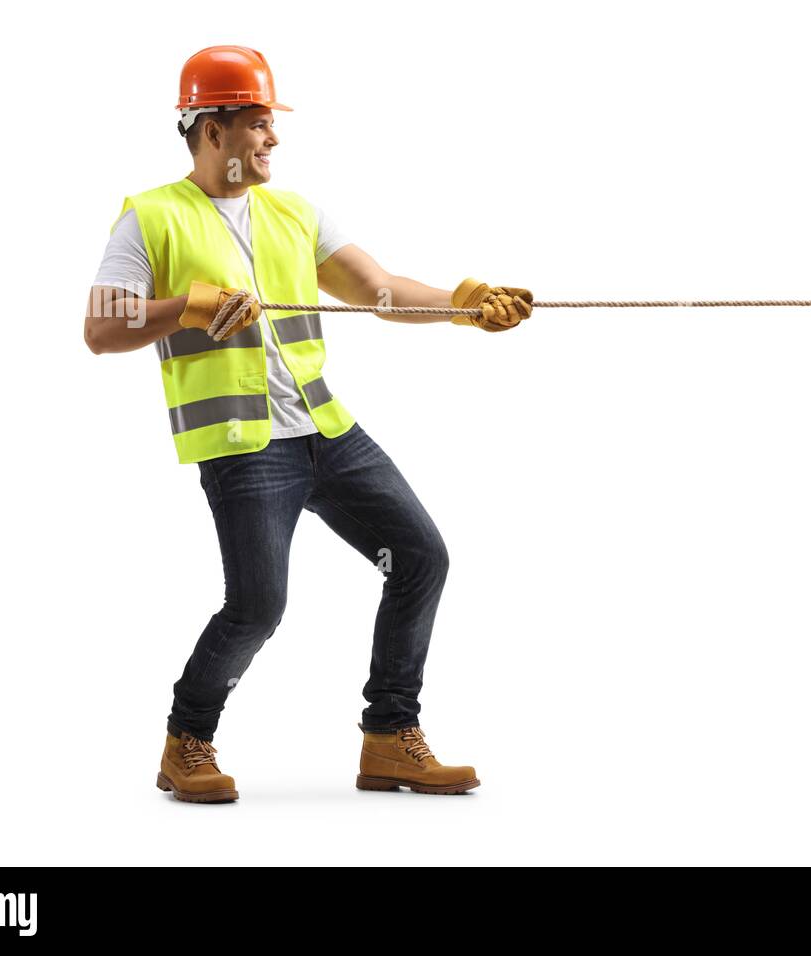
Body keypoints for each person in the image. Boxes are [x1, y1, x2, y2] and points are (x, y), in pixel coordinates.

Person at [83, 44, 533, 803]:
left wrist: (463, 304)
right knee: (258, 608)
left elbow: (380, 289)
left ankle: (390, 738)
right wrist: (182, 309)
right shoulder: (150, 216)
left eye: (270, 124)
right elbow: (101, 327)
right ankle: (186, 741)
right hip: (244, 447)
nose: (273, 139)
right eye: (259, 123)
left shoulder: (293, 211)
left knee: (420, 557)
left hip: (328, 433)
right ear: (211, 130)